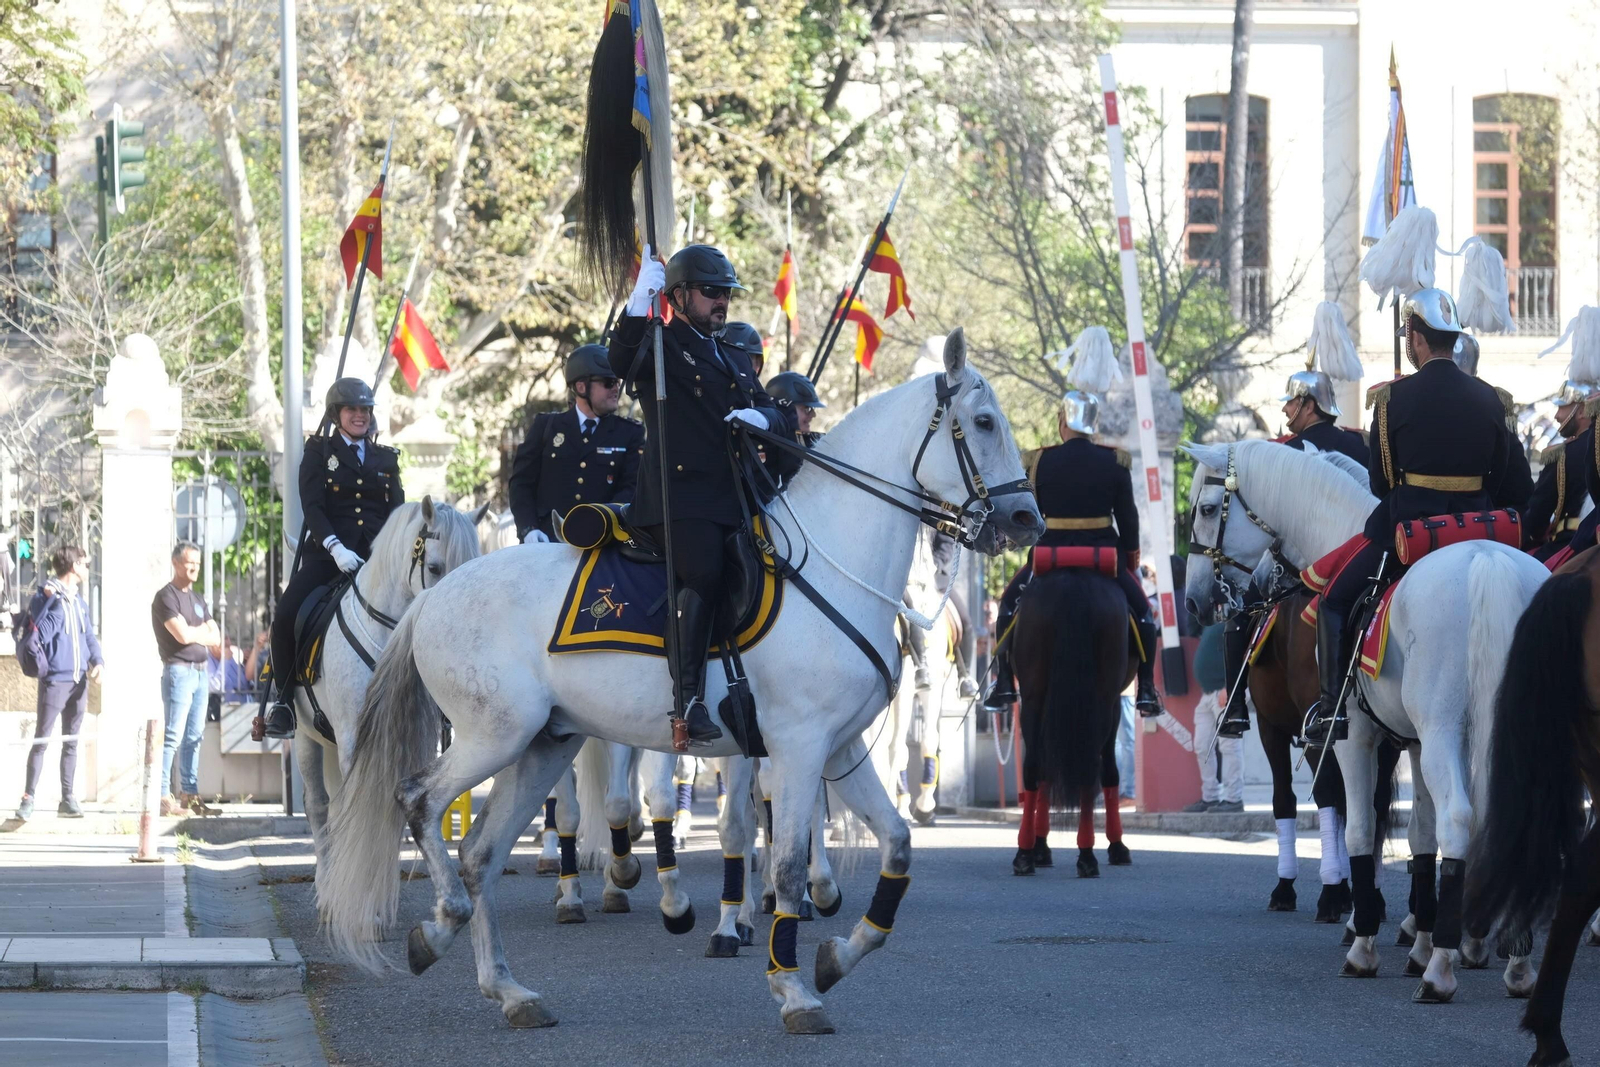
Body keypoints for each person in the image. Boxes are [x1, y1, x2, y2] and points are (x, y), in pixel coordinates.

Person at [607, 244, 797, 748]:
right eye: (711, 292)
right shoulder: (661, 344)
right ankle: (688, 699)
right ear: (680, 295)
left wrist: (763, 418)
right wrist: (637, 303)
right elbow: (618, 362)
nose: (722, 302)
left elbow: (775, 413)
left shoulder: (733, 356)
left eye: (726, 294)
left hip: (730, 500)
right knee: (706, 571)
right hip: (678, 499)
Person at [1308, 289, 1518, 744]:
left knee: (1335, 601)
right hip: (1477, 528)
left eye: (1408, 332)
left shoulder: (1392, 400)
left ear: (1418, 340)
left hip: (1409, 531)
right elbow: (1499, 478)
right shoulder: (1492, 400)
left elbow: (1382, 483)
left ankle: (1331, 710)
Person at [982, 384, 1164, 717]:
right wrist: (1130, 558)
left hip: (1048, 558)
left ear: (1064, 421)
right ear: (1092, 424)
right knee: (1143, 613)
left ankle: (1005, 681)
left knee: (1008, 606)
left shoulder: (1040, 460)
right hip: (1104, 558)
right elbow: (1129, 518)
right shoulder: (1115, 461)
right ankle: (1147, 687)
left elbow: (1028, 515)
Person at [263, 378, 403, 739]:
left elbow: (396, 513)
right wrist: (335, 547)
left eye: (364, 410)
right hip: (329, 558)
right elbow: (312, 507)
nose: (359, 416)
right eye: (352, 409)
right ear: (336, 414)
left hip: (376, 562)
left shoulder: (386, 458)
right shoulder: (318, 452)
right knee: (285, 618)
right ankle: (283, 703)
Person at [508, 345, 644, 543]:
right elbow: (521, 483)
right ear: (581, 387)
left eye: (617, 382)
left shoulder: (630, 433)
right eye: (608, 382)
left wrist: (599, 524)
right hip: (546, 543)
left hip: (600, 543)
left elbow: (631, 489)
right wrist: (528, 529)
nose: (616, 388)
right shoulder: (546, 427)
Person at [13, 546, 102, 821]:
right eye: (84, 563)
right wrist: (55, 604)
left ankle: (68, 797)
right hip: (55, 680)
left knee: (71, 741)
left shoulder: (79, 602)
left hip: (79, 681)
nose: (87, 568)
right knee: (42, 739)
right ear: (74, 566)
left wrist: (97, 661)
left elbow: (88, 637)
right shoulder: (45, 598)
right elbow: (41, 634)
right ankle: (28, 798)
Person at [153, 541, 220, 815]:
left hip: (201, 674)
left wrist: (197, 632)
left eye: (198, 564)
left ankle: (189, 796)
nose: (194, 568)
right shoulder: (165, 597)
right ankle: (161, 796)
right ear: (176, 563)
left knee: (195, 736)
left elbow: (215, 637)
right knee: (173, 736)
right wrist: (198, 632)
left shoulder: (198, 599)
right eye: (190, 562)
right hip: (178, 672)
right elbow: (180, 636)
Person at [1524, 379, 1594, 561]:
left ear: (1581, 411)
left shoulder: (1563, 454)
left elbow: (1537, 517)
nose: (1556, 416)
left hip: (1572, 543)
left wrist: (1535, 532)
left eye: (1562, 407)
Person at [1185, 622, 1244, 813]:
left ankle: (1233, 798)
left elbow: (1246, 654)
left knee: (1229, 745)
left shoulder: (1237, 617)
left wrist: (1232, 687)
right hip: (1208, 693)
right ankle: (1209, 797)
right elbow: (1190, 626)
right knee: (1202, 745)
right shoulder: (1212, 617)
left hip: (1226, 691)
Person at [1278, 366, 1369, 464]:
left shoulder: (1290, 450)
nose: (1284, 409)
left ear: (1309, 407)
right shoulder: (1359, 442)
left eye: (1289, 403)